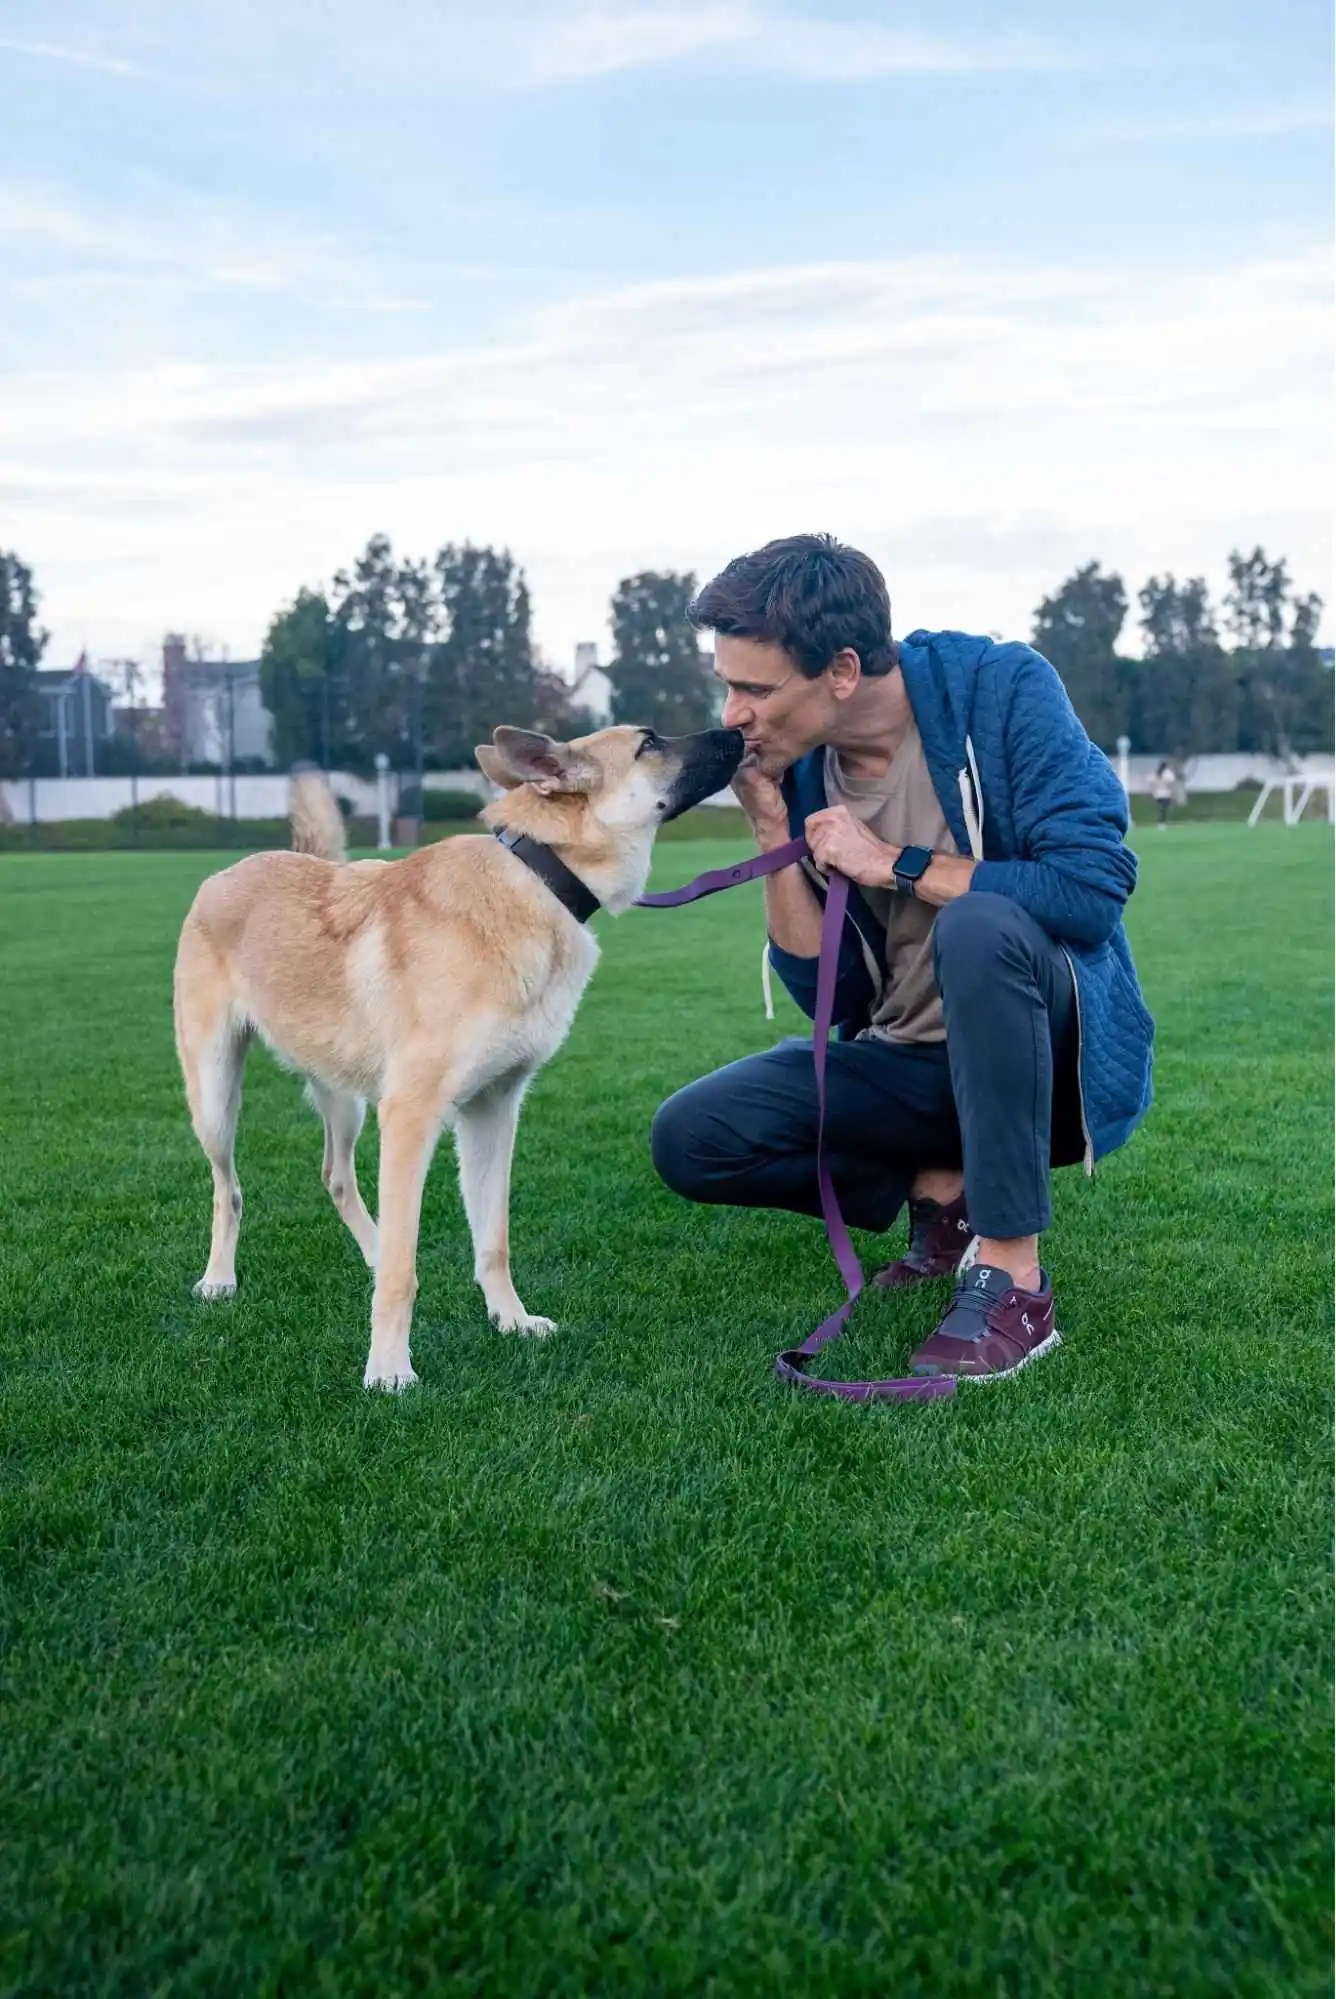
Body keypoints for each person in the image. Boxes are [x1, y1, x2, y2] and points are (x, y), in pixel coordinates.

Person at [650, 534, 1154, 1381]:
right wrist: (772, 830)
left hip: (1044, 1058)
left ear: (843, 671)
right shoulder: (804, 771)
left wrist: (895, 863)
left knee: (978, 925)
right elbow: (832, 992)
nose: (733, 713)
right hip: (909, 1066)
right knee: (691, 1137)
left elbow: (1092, 888)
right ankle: (944, 1198)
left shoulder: (1000, 690)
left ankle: (1015, 1279)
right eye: (727, 686)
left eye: (755, 689)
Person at [1149, 760, 1177, 830]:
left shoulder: (1156, 773)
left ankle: (1160, 822)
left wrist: (1153, 791)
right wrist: (1173, 793)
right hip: (1165, 794)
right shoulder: (1168, 773)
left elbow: (1151, 783)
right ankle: (1162, 823)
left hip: (1157, 794)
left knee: (1162, 808)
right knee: (1164, 809)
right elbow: (1171, 784)